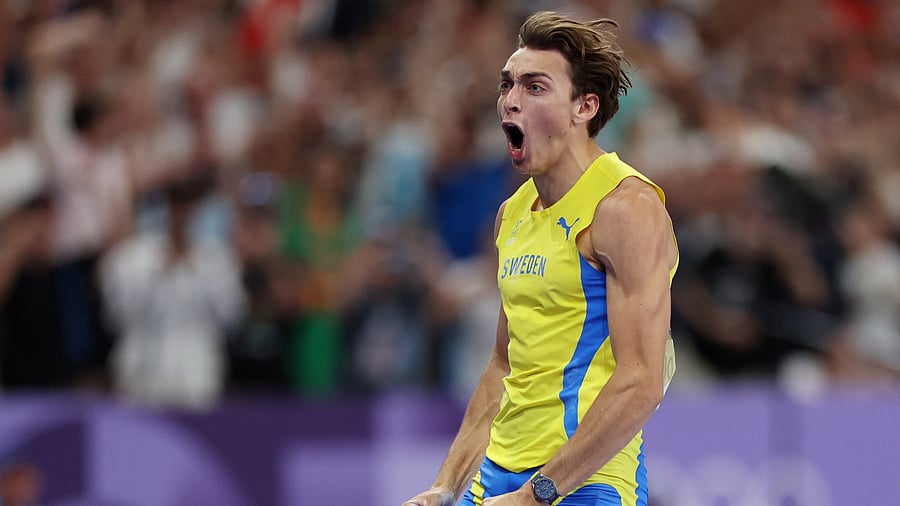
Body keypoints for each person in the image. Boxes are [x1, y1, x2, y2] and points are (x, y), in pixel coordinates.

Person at [404, 11, 678, 506]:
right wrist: (445, 485)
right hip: (499, 480)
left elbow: (642, 380)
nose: (510, 100)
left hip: (583, 483)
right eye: (508, 85)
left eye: (534, 88)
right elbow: (503, 365)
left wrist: (538, 494)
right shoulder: (512, 214)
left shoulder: (626, 208)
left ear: (584, 107)